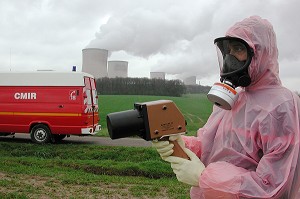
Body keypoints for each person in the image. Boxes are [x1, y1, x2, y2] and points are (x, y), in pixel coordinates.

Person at [152, 16, 300, 198]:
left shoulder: (281, 106)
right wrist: (181, 144)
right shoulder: (234, 98)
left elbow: (274, 187)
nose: (230, 58)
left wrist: (203, 177)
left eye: (238, 49)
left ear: (260, 53)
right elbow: (211, 146)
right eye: (227, 51)